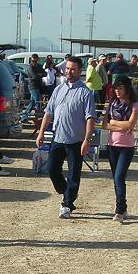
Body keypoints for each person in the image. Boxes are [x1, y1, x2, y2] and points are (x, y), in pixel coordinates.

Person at [36, 56, 95, 219]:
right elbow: (49, 112)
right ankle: (67, 191)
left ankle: (67, 204)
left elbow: (90, 118)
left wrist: (87, 140)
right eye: (67, 68)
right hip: (58, 138)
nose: (69, 72)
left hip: (76, 141)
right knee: (52, 169)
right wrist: (41, 132)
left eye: (73, 69)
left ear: (80, 71)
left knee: (73, 174)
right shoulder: (58, 89)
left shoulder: (85, 93)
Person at [101, 75, 138, 222]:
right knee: (116, 179)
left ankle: (119, 210)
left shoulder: (134, 105)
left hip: (126, 146)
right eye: (116, 88)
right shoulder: (112, 104)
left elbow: (130, 124)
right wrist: (120, 125)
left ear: (127, 89)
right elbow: (104, 125)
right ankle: (123, 207)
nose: (117, 91)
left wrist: (113, 122)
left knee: (119, 177)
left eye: (121, 88)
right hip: (112, 145)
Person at [21, 53, 45, 122]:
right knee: (37, 101)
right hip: (33, 86)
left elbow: (45, 73)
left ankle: (24, 117)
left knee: (32, 103)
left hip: (38, 86)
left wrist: (39, 74)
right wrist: (40, 74)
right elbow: (34, 76)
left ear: (37, 59)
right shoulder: (30, 67)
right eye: (33, 61)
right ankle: (38, 117)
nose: (34, 62)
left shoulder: (39, 66)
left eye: (35, 60)